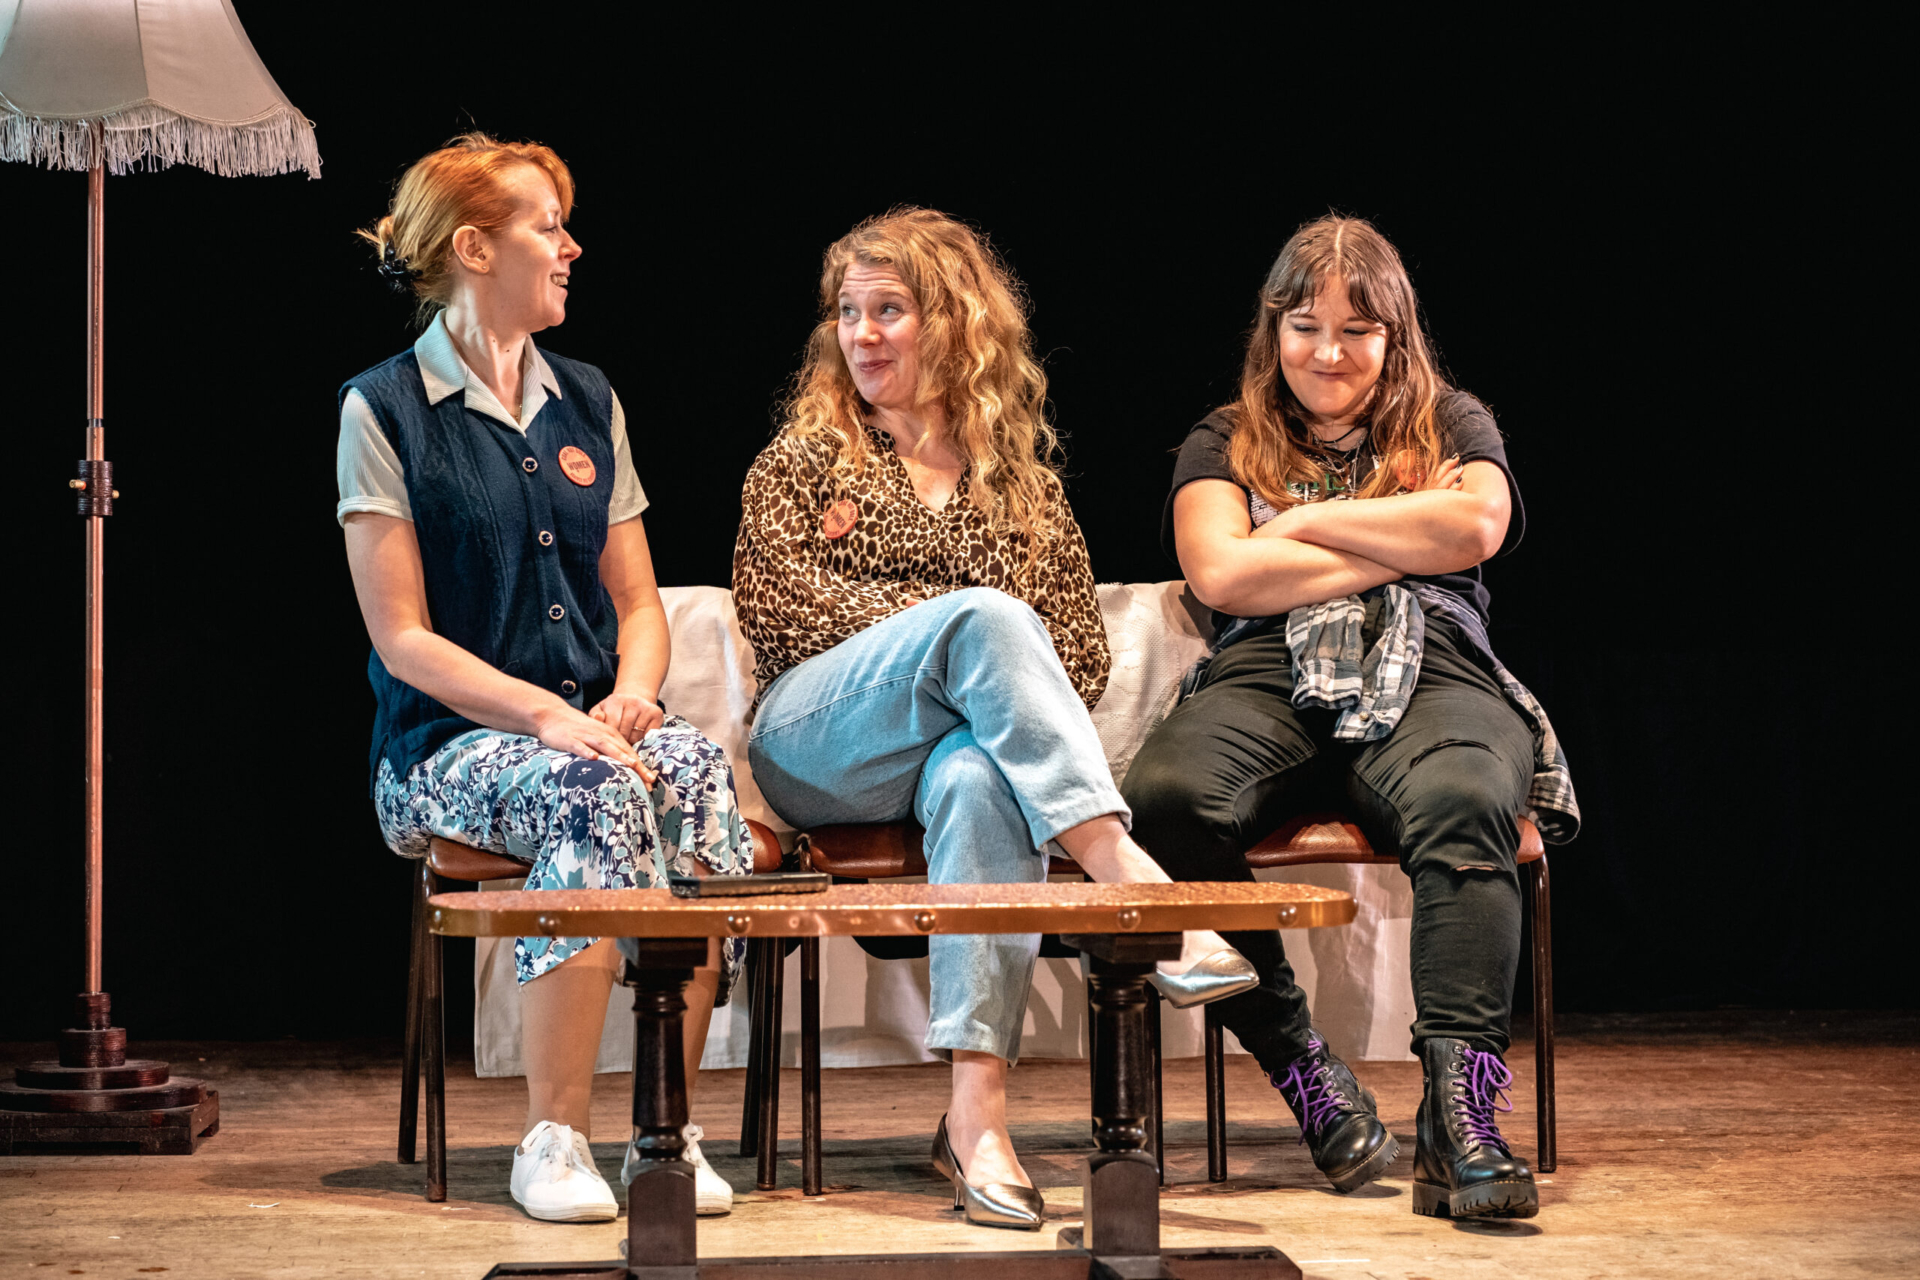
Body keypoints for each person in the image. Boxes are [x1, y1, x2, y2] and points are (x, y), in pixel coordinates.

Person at [732, 208, 1256, 1231]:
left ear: (956, 324)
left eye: (891, 310)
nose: (864, 334)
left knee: (980, 774)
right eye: (850, 313)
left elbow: (1082, 646)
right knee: (984, 619)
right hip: (820, 741)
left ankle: (977, 1122)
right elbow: (781, 608)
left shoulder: (1023, 485)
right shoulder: (800, 462)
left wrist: (979, 662)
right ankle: (1135, 883)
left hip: (958, 760)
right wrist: (956, 640)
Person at [1123, 215, 1578, 1220]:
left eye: (1358, 329)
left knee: (1468, 794)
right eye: (1305, 325)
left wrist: (1298, 522)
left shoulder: (1454, 419)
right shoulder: (1223, 434)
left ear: (1396, 333)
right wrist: (1398, 535)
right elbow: (1222, 569)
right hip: (1267, 667)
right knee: (1162, 797)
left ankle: (1462, 1118)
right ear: (1272, 328)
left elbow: (1477, 525)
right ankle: (1307, 1073)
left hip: (1434, 660)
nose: (1329, 352)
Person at [336, 134, 754, 1223]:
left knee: (696, 767)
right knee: (592, 788)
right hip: (440, 749)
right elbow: (402, 639)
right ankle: (554, 1137)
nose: (572, 247)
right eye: (547, 226)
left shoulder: (588, 397)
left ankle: (665, 1126)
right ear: (475, 247)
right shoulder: (383, 408)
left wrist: (635, 694)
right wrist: (547, 717)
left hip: (581, 731)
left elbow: (638, 606)